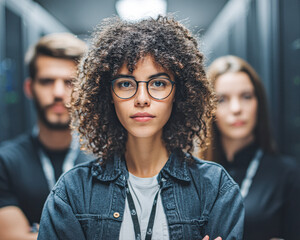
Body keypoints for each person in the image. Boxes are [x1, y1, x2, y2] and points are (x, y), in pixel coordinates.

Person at [37, 16, 244, 240]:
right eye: (126, 84)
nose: (142, 99)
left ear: (178, 93)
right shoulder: (73, 191)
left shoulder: (214, 189)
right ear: (108, 96)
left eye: (158, 83)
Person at [0, 33, 92, 240]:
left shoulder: (106, 160)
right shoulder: (5, 162)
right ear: (29, 88)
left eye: (69, 82)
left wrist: (38, 232)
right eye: (47, 81)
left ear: (83, 89)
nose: (58, 92)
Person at [204, 55, 300, 240]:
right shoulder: (193, 174)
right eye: (222, 99)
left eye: (246, 97)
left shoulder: (287, 175)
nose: (236, 108)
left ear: (258, 103)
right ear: (209, 109)